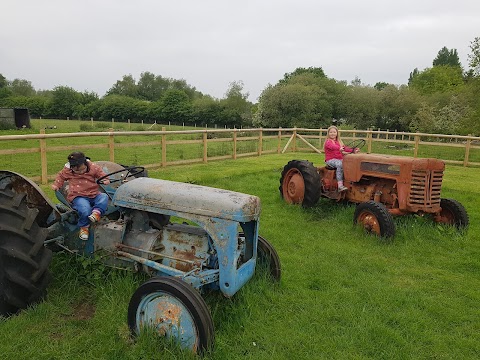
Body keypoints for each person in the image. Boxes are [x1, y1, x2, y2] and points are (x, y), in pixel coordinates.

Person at [51, 152, 110, 240]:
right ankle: (84, 227)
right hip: (78, 196)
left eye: (81, 169)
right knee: (85, 209)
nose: (80, 172)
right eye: (76, 170)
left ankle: (96, 213)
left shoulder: (93, 167)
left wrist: (105, 179)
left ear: (85, 163)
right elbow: (61, 177)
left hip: (94, 194)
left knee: (104, 197)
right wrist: (56, 185)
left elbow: (101, 174)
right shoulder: (68, 170)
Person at [323, 125, 359, 192]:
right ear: (328, 133)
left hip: (339, 159)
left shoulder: (339, 142)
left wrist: (353, 150)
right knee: (340, 164)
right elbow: (332, 147)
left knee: (350, 163)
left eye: (334, 132)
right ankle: (340, 185)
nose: (332, 133)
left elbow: (345, 148)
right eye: (331, 132)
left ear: (337, 133)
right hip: (330, 160)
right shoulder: (328, 142)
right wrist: (339, 148)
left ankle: (350, 181)